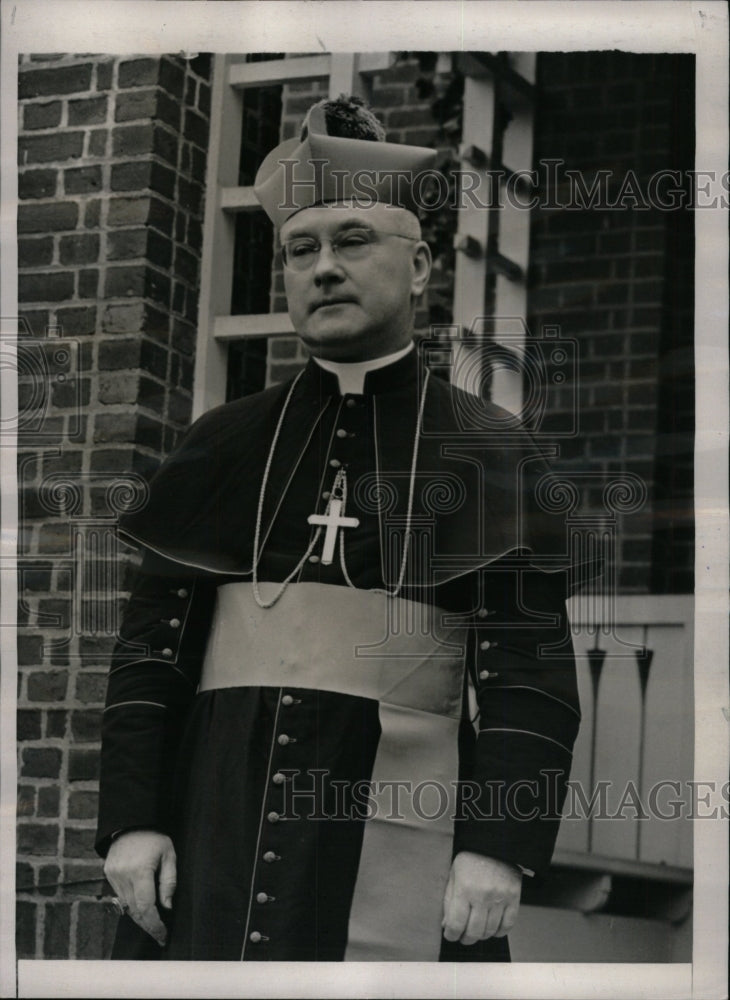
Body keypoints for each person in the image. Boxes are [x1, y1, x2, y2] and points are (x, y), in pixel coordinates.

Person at [96, 95, 583, 962]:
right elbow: (150, 654)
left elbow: (528, 678)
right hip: (215, 824)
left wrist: (498, 846)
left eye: (354, 241)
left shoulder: (488, 449)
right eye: (301, 249)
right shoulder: (221, 443)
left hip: (410, 833)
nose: (324, 268)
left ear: (423, 265)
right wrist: (133, 821)